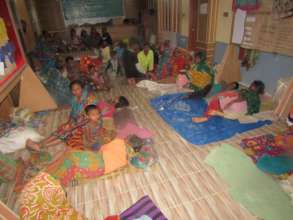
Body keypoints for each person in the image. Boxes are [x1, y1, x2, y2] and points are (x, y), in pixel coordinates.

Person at [26, 80, 97, 151]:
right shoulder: (74, 99)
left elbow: (88, 118)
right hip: (78, 121)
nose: (75, 91)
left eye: (78, 89)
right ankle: (39, 145)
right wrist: (68, 123)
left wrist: (72, 126)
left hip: (87, 124)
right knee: (63, 129)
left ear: (82, 88)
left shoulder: (89, 99)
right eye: (73, 90)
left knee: (67, 132)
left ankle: (40, 145)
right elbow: (73, 113)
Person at [192, 80, 265, 123]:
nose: (250, 86)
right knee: (222, 104)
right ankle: (219, 112)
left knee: (216, 101)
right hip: (241, 110)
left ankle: (206, 117)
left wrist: (232, 101)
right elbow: (256, 111)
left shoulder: (248, 93)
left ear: (255, 88)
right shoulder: (257, 99)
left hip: (238, 106)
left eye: (252, 85)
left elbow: (242, 98)